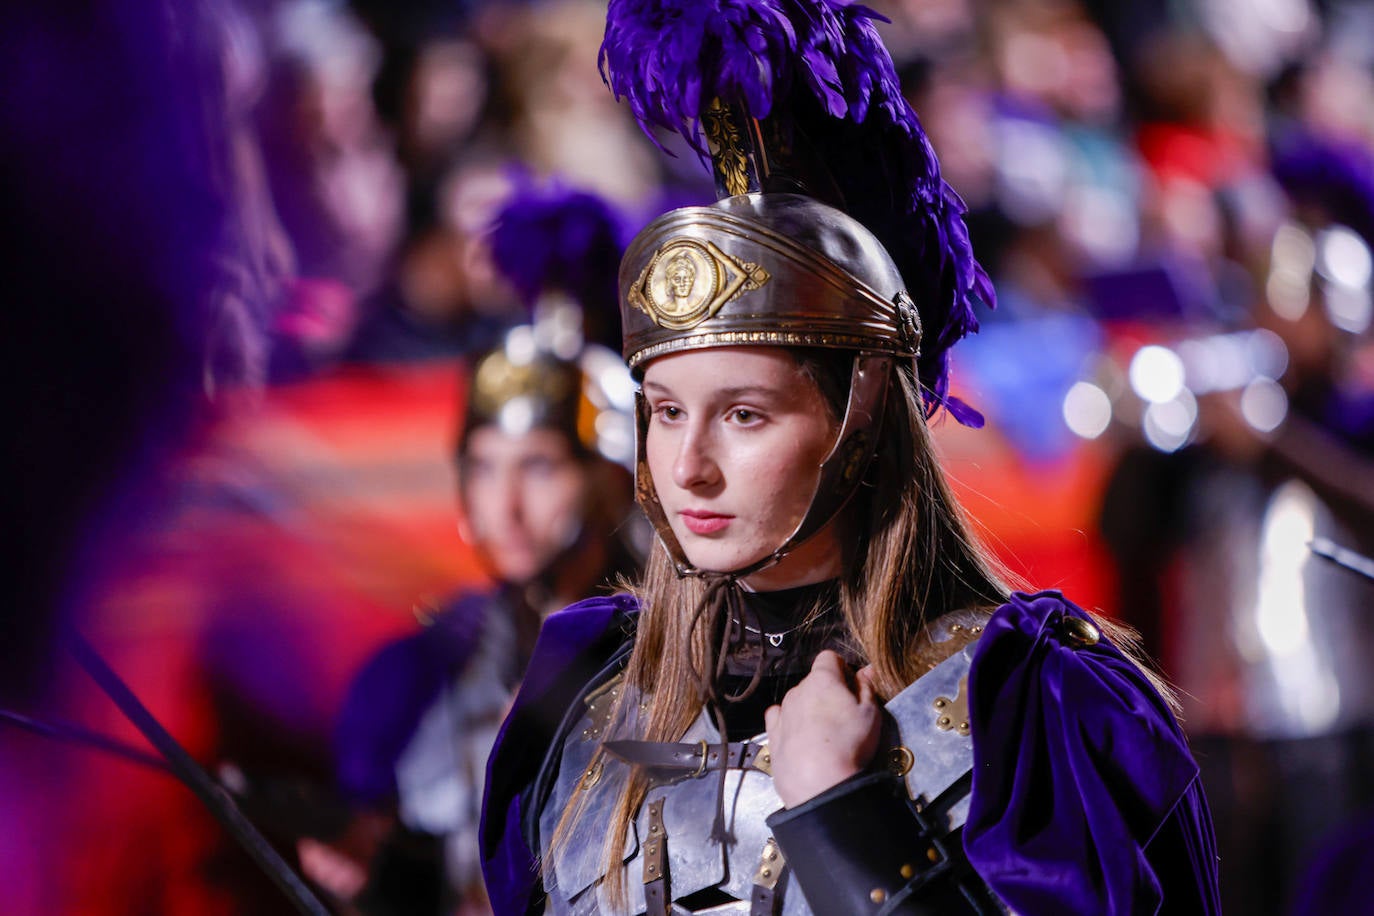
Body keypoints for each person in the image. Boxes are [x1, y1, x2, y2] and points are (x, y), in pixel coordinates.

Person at [479, 2, 1221, 914]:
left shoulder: (1037, 705)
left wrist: (848, 817)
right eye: (667, 413)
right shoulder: (581, 698)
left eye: (745, 416)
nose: (689, 467)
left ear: (861, 414)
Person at [299, 181, 643, 915]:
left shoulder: (683, 646)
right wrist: (377, 871)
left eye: (540, 467)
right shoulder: (422, 673)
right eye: (483, 468)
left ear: (613, 482)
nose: (506, 504)